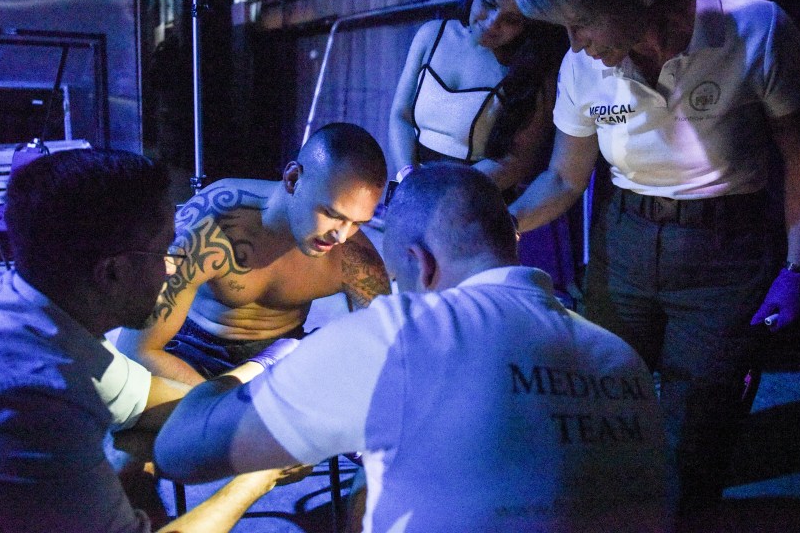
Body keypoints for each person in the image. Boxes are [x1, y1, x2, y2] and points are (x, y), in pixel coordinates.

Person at [154, 163, 670, 533]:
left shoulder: (403, 334)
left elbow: (179, 449)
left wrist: (259, 369)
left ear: (419, 264)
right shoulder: (619, 357)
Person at [507, 0, 800, 513]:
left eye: (581, 23)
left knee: (698, 422)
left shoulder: (756, 29)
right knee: (598, 395)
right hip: (625, 242)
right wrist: (502, 224)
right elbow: (563, 177)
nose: (575, 44)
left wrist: (797, 268)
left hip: (724, 251)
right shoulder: (582, 67)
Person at [0, 149, 306, 532]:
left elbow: (148, 398)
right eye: (165, 251)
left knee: (137, 443)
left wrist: (262, 410)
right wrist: (257, 478)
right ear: (114, 272)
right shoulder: (35, 414)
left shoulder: (12, 305)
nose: (173, 268)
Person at [117, 122, 391, 385]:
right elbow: (138, 351)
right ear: (293, 179)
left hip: (279, 358)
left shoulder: (353, 259)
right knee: (132, 408)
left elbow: (385, 346)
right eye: (331, 214)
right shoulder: (214, 223)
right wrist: (216, 407)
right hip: (191, 354)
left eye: (357, 222)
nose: (341, 235)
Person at [387, 0, 567, 192]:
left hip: (473, 199)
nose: (493, 23)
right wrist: (409, 174)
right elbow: (400, 115)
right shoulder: (431, 35)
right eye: (488, 2)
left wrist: (448, 193)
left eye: (512, 19)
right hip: (412, 186)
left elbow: (516, 161)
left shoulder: (530, 71)